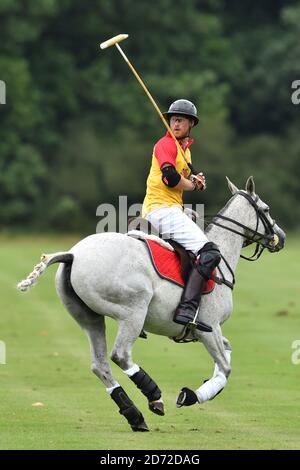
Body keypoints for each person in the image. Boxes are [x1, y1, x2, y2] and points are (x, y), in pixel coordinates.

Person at [141, 99, 221, 332]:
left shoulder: (184, 150)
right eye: (173, 120)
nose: (175, 124)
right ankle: (188, 308)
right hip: (160, 208)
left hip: (172, 207)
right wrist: (193, 185)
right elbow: (171, 178)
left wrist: (195, 180)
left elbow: (183, 177)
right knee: (210, 252)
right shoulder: (165, 145)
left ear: (191, 124)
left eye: (180, 120)